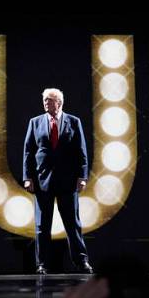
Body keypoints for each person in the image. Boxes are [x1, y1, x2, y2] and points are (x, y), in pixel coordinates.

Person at [23, 87, 92, 274]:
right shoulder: (35, 123)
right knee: (41, 226)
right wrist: (27, 177)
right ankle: (42, 264)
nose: (46, 103)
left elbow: (81, 151)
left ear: (59, 103)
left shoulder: (74, 122)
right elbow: (28, 151)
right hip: (42, 181)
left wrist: (82, 176)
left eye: (49, 100)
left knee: (73, 224)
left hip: (67, 181)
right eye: (44, 100)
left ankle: (81, 261)